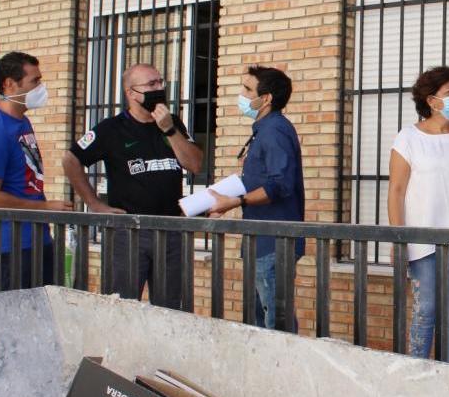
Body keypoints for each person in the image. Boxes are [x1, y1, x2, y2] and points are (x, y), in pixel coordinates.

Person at [61, 64, 204, 309]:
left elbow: (195, 165)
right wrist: (94, 203)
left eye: (160, 82)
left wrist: (169, 129)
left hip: (170, 231)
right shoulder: (111, 129)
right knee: (122, 305)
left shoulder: (173, 124)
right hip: (128, 233)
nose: (159, 88)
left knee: (169, 308)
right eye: (151, 85)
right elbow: (71, 159)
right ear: (131, 93)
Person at [387, 66, 449, 364]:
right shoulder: (408, 138)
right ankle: (416, 373)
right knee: (425, 309)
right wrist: (398, 237)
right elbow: (396, 190)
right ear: (432, 100)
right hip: (423, 239)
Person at [208, 65, 305, 332]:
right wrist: (223, 199)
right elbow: (263, 181)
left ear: (267, 98)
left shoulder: (274, 130)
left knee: (276, 324)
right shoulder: (264, 129)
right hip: (262, 242)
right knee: (261, 323)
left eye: (248, 90)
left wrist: (237, 201)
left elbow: (280, 185)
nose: (242, 94)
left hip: (273, 244)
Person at [0, 51, 72, 291]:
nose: (40, 88)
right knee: (13, 320)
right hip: (10, 245)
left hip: (36, 239)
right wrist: (45, 207)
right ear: (9, 84)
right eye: (34, 81)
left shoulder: (21, 121)